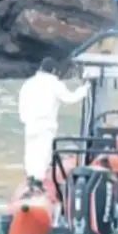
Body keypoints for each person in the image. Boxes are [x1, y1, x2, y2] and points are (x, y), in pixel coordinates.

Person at [18, 57, 89, 192]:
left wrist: (25, 119)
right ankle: (38, 182)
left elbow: (22, 104)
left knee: (31, 152)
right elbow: (70, 98)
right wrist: (85, 89)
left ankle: (31, 178)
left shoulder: (28, 83)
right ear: (54, 71)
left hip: (30, 124)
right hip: (46, 125)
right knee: (43, 152)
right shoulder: (53, 83)